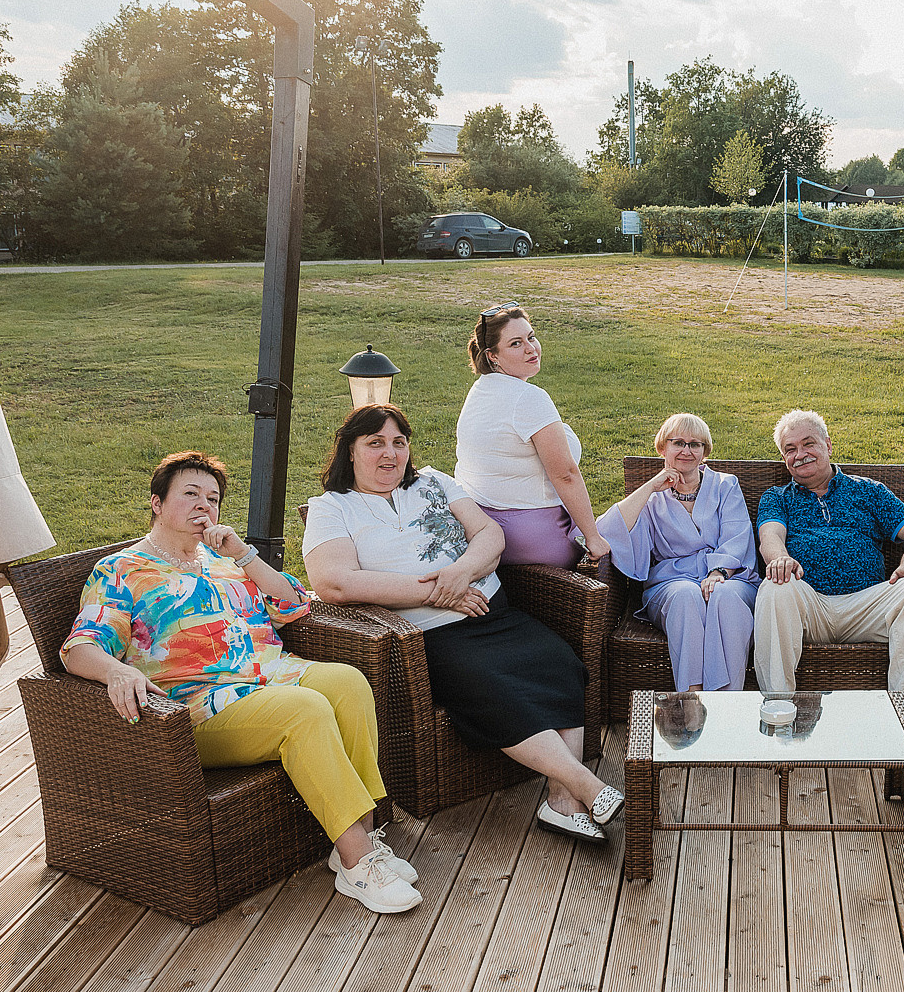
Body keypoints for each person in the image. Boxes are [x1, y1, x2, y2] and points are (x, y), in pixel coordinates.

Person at [61, 451, 421, 915]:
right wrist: (116, 669)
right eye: (190, 495)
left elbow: (293, 603)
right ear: (156, 502)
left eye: (212, 499)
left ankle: (362, 839)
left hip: (271, 672)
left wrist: (244, 555)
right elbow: (78, 647)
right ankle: (359, 866)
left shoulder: (224, 560)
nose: (203, 507)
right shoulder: (122, 570)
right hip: (198, 705)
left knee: (348, 682)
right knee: (305, 709)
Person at [304, 404, 622, 846]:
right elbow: (334, 582)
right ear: (350, 452)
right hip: (427, 634)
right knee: (493, 687)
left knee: (559, 662)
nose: (390, 454)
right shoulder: (333, 508)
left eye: (399, 442)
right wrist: (436, 592)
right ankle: (586, 786)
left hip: (492, 611)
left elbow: (490, 535)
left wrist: (461, 572)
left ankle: (560, 802)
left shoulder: (433, 481)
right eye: (374, 443)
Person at [753, 409, 904, 708]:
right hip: (809, 606)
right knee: (777, 585)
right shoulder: (777, 498)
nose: (800, 454)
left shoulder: (867, 491)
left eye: (808, 444)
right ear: (784, 459)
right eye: (790, 449)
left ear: (828, 445)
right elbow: (771, 537)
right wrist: (779, 558)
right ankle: (778, 705)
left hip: (866, 606)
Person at [595, 413, 760, 692]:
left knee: (726, 597)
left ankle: (727, 703)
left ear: (705, 452)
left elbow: (737, 535)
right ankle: (692, 700)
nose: (687, 450)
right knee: (686, 595)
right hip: (672, 585)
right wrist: (649, 487)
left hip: (730, 578)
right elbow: (605, 531)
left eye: (695, 444)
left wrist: (719, 572)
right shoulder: (651, 499)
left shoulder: (725, 485)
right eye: (678, 443)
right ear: (662, 448)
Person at [454, 302, 610, 568]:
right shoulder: (529, 398)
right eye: (516, 343)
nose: (531, 348)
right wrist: (593, 537)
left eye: (531, 337)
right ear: (493, 355)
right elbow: (565, 474)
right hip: (532, 540)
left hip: (480, 527)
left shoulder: (481, 390)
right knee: (628, 528)